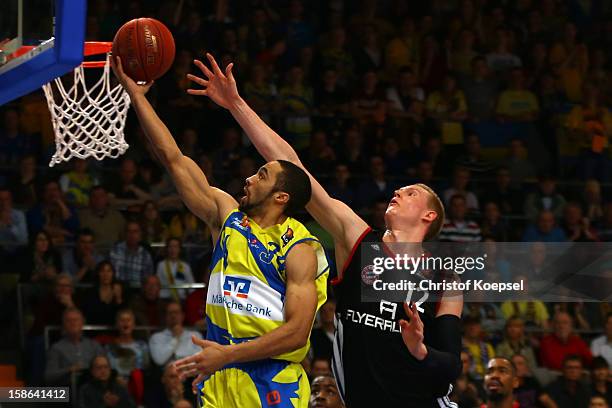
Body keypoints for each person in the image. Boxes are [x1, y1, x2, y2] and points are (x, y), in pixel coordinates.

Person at [188, 52, 463, 407]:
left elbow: (451, 365)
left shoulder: (445, 279)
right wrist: (235, 103)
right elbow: (293, 167)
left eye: (410, 193)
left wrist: (421, 350)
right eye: (399, 189)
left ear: (429, 217)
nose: (397, 192)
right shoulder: (358, 239)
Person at [113, 52, 330, 408]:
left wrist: (229, 355)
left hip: (270, 378)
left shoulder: (299, 248)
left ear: (281, 197)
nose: (248, 178)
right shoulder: (227, 216)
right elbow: (173, 159)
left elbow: (296, 333)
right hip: (218, 373)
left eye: (260, 176)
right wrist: (137, 97)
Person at [44, 307, 104, 386]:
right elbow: (48, 377)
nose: (73, 323)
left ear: (82, 323)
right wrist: (69, 370)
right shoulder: (56, 348)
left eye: (76, 320)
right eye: (69, 320)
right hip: (67, 390)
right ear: (64, 324)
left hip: (93, 389)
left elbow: (106, 369)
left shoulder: (94, 345)